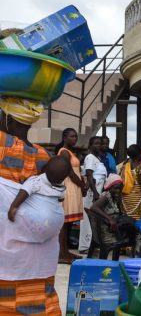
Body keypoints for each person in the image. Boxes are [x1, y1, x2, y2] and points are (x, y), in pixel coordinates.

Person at [0, 96, 60, 315]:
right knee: (37, 297)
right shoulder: (43, 154)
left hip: (5, 243)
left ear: (7, 119)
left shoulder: (2, 143)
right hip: (37, 248)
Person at [56, 128, 88, 264]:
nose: (75, 139)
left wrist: (82, 184)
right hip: (68, 187)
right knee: (64, 222)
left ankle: (66, 251)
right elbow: (69, 171)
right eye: (72, 136)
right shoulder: (63, 152)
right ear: (64, 137)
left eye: (76, 137)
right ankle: (61, 255)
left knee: (68, 223)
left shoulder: (71, 152)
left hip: (74, 187)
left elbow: (77, 170)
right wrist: (82, 185)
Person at [89, 174, 136, 249]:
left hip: (111, 225)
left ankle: (126, 241)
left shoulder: (115, 196)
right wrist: (110, 219)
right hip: (105, 227)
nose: (118, 190)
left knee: (132, 223)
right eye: (115, 188)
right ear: (109, 187)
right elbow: (93, 207)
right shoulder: (106, 196)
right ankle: (124, 241)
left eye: (120, 189)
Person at [79, 136, 108, 253]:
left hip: (98, 191)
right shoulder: (90, 158)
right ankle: (85, 246)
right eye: (95, 144)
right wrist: (95, 192)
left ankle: (92, 244)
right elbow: (89, 175)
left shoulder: (97, 158)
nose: (98, 146)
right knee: (87, 219)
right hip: (92, 193)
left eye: (100, 144)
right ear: (90, 145)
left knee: (94, 219)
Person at [120, 144, 141, 219]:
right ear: (139, 155)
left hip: (125, 198)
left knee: (126, 219)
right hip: (137, 199)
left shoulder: (124, 166)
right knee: (137, 220)